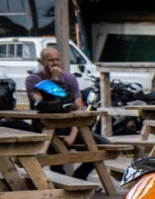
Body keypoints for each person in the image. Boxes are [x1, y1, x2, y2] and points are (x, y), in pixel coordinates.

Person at [24, 47, 100, 180]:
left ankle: (79, 178)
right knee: (55, 151)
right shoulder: (33, 80)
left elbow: (78, 108)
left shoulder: (69, 78)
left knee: (102, 146)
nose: (54, 63)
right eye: (50, 60)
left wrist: (73, 133)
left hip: (70, 127)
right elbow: (47, 104)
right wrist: (55, 79)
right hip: (44, 129)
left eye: (57, 59)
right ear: (41, 62)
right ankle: (58, 182)